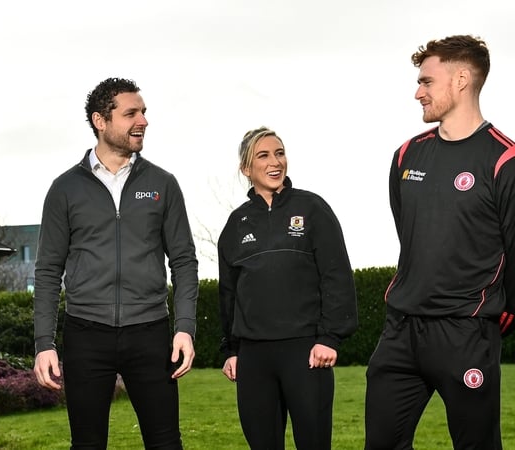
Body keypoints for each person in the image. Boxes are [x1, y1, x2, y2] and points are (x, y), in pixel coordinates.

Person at [364, 34, 515, 449]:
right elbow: (410, 233)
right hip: (401, 330)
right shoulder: (406, 156)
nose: (418, 92)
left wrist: (495, 313)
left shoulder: (504, 160)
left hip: (466, 332)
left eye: (427, 81)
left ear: (461, 79)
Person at [32, 77, 199, 449]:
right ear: (100, 121)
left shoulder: (163, 184)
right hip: (85, 334)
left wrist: (185, 328)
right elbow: (47, 271)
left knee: (166, 442)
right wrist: (44, 342)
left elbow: (184, 261)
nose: (143, 121)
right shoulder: (65, 189)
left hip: (150, 331)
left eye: (143, 112)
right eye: (131, 113)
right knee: (87, 444)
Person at [217, 126, 358, 449]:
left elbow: (336, 275)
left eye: (279, 153)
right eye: (263, 155)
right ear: (246, 168)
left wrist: (329, 338)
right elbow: (229, 293)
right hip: (254, 357)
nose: (275, 162)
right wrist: (231, 350)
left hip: (305, 353)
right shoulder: (236, 223)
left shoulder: (312, 208)